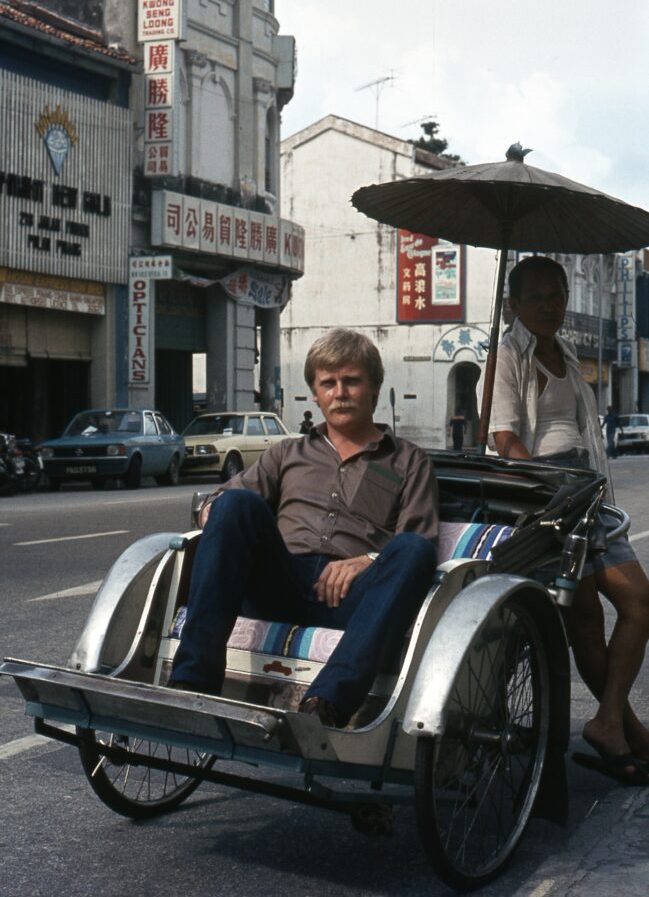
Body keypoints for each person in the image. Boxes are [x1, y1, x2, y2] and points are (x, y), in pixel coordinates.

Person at [170, 328, 438, 728]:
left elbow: (419, 537)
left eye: (352, 381)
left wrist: (367, 560)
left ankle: (328, 701)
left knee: (414, 550)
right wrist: (218, 515)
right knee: (237, 502)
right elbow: (217, 504)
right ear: (315, 393)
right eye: (328, 383)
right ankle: (192, 683)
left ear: (375, 388)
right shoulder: (287, 453)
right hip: (280, 580)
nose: (340, 392)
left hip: (352, 597)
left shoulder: (407, 460)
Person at [489, 255, 649, 783]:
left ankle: (608, 721)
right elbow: (505, 440)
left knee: (638, 601)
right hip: (545, 497)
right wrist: (546, 493)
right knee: (585, 619)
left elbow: (584, 433)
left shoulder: (569, 351)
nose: (550, 305)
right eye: (536, 296)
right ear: (513, 304)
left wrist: (585, 489)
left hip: (587, 490)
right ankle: (622, 729)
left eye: (557, 294)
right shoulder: (506, 357)